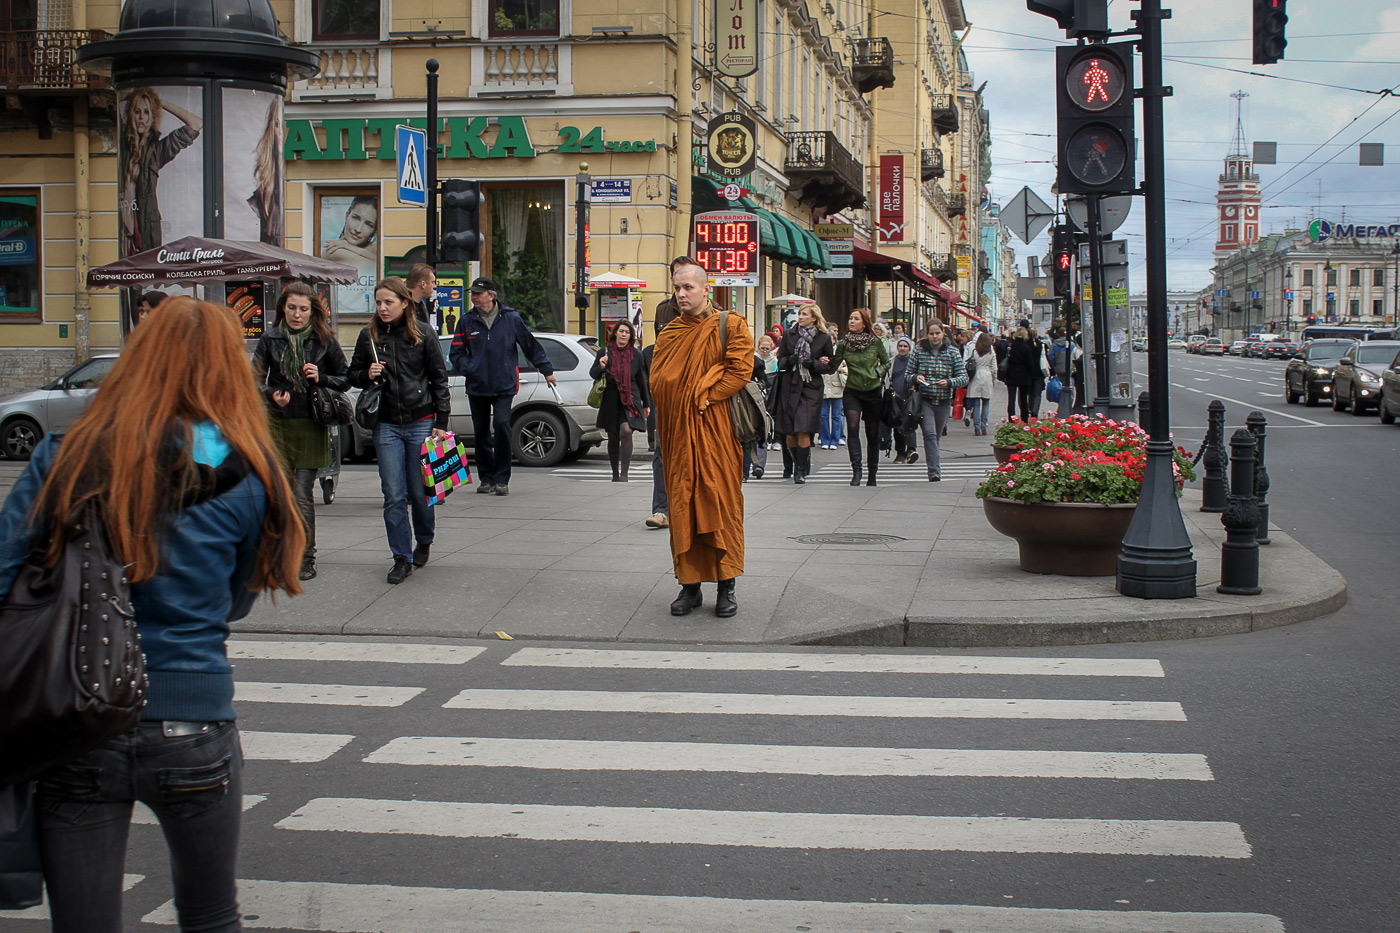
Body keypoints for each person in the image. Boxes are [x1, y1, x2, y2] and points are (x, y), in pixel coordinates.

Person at [0, 296, 304, 933]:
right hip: (195, 717)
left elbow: (5, 577)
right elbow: (237, 601)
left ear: (136, 360)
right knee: (211, 915)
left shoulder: (66, 455)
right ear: (229, 369)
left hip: (78, 718)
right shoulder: (248, 470)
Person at [650, 260, 753, 618]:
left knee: (721, 503)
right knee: (683, 507)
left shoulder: (731, 325)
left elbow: (740, 370)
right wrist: (686, 393)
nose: (681, 294)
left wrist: (705, 394)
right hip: (679, 435)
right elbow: (658, 381)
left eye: (688, 287)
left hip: (716, 431)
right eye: (677, 288)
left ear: (706, 289)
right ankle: (689, 586)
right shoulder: (670, 333)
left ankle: (727, 586)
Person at [348, 277, 451, 584]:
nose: (382, 308)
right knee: (393, 494)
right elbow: (352, 374)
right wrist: (366, 373)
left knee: (420, 492)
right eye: (379, 302)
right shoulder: (368, 336)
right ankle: (401, 558)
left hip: (421, 420)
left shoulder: (423, 333)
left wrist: (441, 422)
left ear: (404, 303)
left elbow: (439, 378)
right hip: (387, 423)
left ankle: (425, 538)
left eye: (388, 302)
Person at [252, 282, 349, 581]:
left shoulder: (324, 339)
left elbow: (345, 379)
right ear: (283, 308)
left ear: (312, 311)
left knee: (301, 493)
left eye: (303, 309)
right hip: (278, 423)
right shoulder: (270, 338)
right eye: (292, 308)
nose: (297, 314)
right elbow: (253, 378)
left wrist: (322, 377)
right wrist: (271, 394)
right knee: (280, 494)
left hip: (311, 422)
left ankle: (306, 557)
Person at [449, 276, 556, 496]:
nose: (474, 297)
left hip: (504, 384)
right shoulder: (467, 320)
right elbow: (456, 352)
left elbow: (530, 345)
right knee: (480, 433)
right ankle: (486, 478)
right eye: (473, 294)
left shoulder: (511, 318)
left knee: (501, 426)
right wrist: (469, 368)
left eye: (478, 293)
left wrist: (546, 370)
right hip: (477, 385)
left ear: (491, 295)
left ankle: (501, 479)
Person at [118, 86, 202, 256]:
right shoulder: (122, 145)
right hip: (122, 229)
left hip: (145, 230)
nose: (141, 118)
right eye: (137, 111)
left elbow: (196, 124)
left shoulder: (156, 151)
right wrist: (126, 95)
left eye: (147, 112)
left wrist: (160, 102)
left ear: (152, 117)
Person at [773, 303, 834, 484]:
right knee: (790, 432)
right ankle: (797, 462)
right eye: (799, 314)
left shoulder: (823, 338)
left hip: (810, 387)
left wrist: (813, 364)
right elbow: (780, 361)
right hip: (790, 386)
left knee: (803, 429)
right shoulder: (789, 335)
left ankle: (800, 470)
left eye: (804, 314)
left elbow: (830, 366)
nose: (800, 317)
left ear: (814, 318)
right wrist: (790, 360)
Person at [832, 307, 890, 487]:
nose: (851, 321)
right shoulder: (844, 344)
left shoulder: (875, 342)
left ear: (864, 323)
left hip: (873, 390)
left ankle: (872, 473)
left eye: (856, 319)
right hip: (852, 390)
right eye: (850, 318)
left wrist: (877, 372)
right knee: (852, 426)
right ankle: (856, 471)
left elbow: (886, 362)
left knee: (872, 434)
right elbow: (833, 365)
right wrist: (823, 361)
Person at [905, 321, 968, 481]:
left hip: (944, 400)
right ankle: (934, 471)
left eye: (937, 333)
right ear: (927, 334)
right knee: (930, 434)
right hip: (925, 399)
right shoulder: (919, 350)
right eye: (931, 333)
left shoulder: (952, 352)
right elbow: (907, 375)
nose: (934, 336)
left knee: (936, 437)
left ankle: (934, 464)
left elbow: (963, 378)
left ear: (943, 333)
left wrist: (949, 382)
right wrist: (916, 377)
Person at [591, 319, 651, 482]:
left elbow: (642, 380)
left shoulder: (636, 355)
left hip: (630, 400)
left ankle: (624, 474)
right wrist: (601, 366)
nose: (624, 334)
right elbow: (593, 374)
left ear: (631, 335)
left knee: (626, 431)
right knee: (612, 436)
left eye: (627, 332)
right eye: (621, 331)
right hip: (610, 401)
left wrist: (646, 404)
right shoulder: (604, 352)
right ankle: (615, 474)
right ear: (615, 333)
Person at [247, 97, 283, 244]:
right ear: (271, 128)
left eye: (284, 124)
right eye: (277, 124)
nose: (280, 132)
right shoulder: (265, 180)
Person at [889, 335, 919, 464]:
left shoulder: (913, 361)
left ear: (909, 348)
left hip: (910, 396)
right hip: (896, 397)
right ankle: (900, 452)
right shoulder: (892, 361)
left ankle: (911, 450)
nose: (902, 348)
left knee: (909, 422)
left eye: (905, 346)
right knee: (897, 425)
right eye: (900, 346)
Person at [1002, 326, 1039, 422]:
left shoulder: (1010, 346)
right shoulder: (1026, 347)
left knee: (1011, 399)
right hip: (1024, 376)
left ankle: (1011, 418)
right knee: (1023, 399)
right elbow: (1030, 364)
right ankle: (1024, 419)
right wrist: (1030, 374)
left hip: (1011, 374)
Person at [965, 331, 996, 436]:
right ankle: (984, 426)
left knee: (976, 403)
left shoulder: (974, 351)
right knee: (986, 402)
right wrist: (993, 378)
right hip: (987, 376)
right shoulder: (991, 352)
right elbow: (994, 368)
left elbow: (968, 362)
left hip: (975, 376)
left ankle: (977, 427)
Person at [819, 361, 845, 450]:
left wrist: (842, 370)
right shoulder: (822, 355)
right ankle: (825, 440)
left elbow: (850, 365)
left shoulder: (839, 354)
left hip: (837, 387)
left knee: (836, 416)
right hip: (824, 387)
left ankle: (835, 440)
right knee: (823, 415)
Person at [406, 263, 438, 333]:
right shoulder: (402, 306)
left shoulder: (420, 306)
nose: (435, 286)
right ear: (423, 284)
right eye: (432, 282)